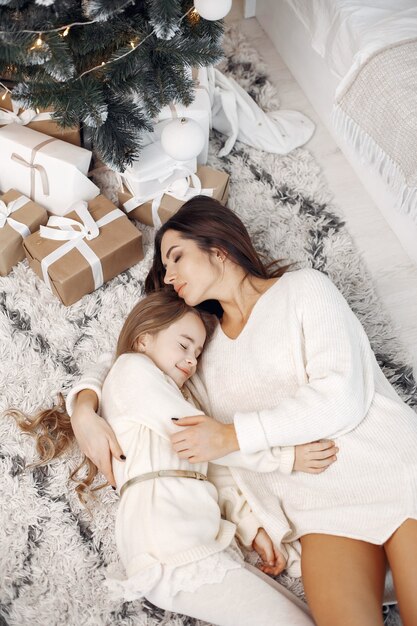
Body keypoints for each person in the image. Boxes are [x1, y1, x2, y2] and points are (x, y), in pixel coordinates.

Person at [68, 197, 417, 626]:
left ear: (218, 247)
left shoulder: (303, 288)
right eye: (164, 269)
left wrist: (231, 436)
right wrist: (83, 408)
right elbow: (128, 356)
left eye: (176, 257)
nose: (169, 275)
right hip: (317, 509)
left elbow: (340, 394)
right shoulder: (199, 353)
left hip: (387, 465)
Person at [16, 289, 315, 626]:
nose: (192, 360)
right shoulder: (132, 370)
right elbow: (212, 440)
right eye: (184, 345)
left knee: (306, 617)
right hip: (166, 544)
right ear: (144, 340)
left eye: (198, 353)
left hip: (193, 539)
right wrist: (286, 456)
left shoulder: (173, 396)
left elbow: (212, 470)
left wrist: (250, 528)